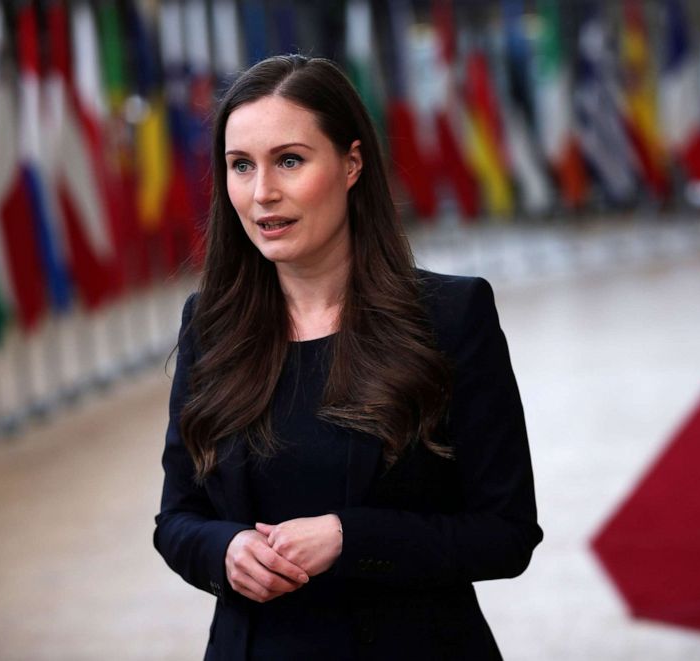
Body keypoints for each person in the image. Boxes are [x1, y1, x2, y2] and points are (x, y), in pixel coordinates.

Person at [154, 54, 542, 660]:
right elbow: (177, 518)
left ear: (352, 163)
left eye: (289, 160)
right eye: (240, 166)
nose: (263, 193)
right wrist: (224, 551)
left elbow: (506, 534)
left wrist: (348, 538)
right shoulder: (211, 326)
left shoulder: (450, 316)